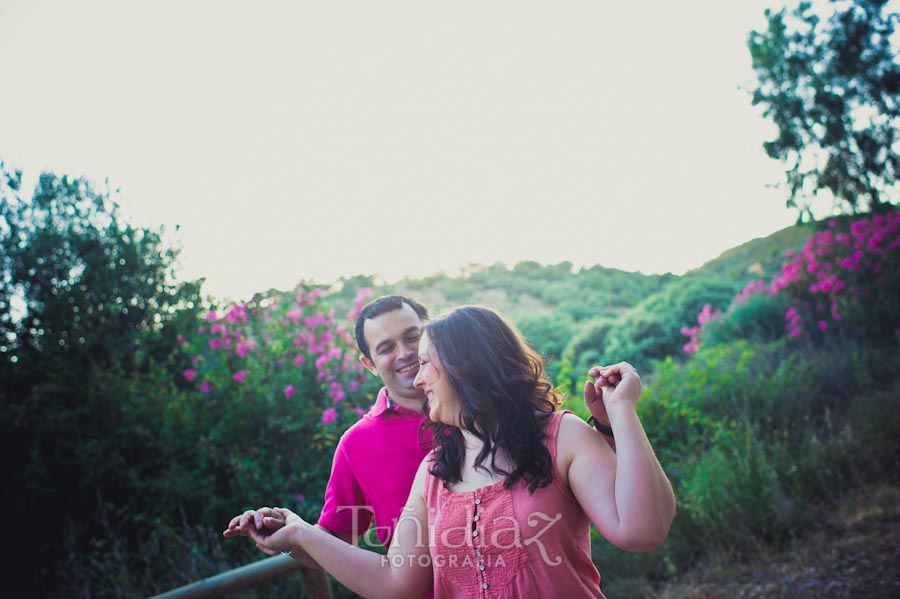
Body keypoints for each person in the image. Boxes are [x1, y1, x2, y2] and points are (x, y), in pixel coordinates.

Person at [227, 305, 675, 599]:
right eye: (392, 351)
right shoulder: (434, 472)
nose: (417, 378)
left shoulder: (563, 435)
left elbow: (643, 530)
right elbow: (394, 581)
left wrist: (621, 415)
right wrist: (301, 532)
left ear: (467, 364)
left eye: (424, 360)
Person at [225, 294, 432, 562]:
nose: (405, 352)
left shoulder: (480, 407)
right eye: (386, 348)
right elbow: (334, 542)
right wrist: (287, 535)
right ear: (369, 364)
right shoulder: (358, 444)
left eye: (412, 337)